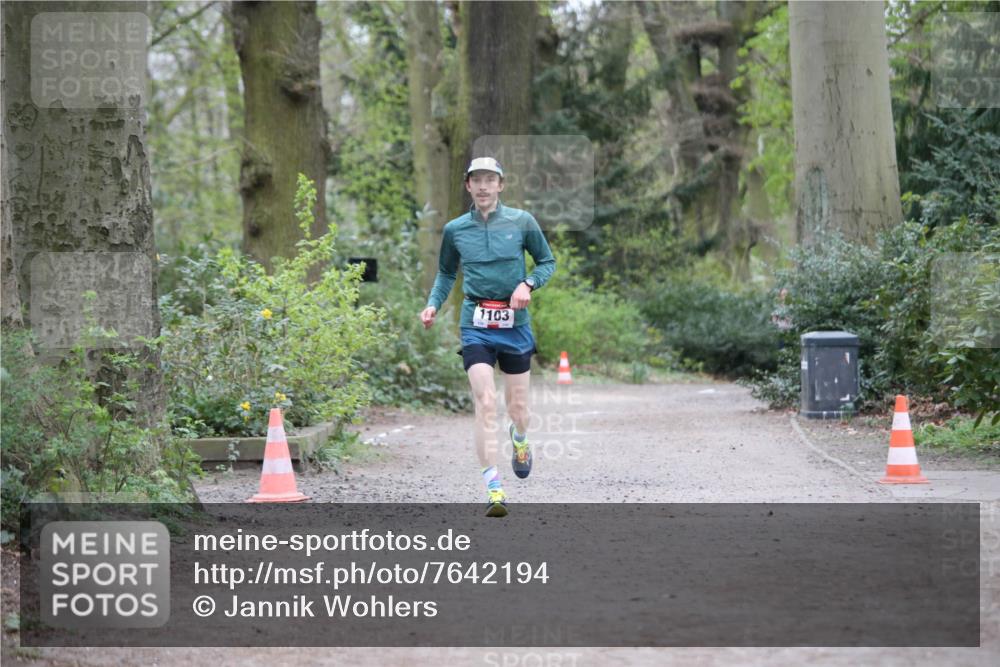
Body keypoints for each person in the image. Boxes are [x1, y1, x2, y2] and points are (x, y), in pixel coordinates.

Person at [420, 157, 556, 517]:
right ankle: (494, 487)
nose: (483, 186)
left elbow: (547, 262)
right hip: (475, 322)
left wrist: (528, 283)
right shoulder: (455, 230)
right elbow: (447, 273)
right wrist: (433, 304)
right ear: (467, 186)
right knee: (485, 401)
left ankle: (521, 439)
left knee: (518, 410)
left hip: (515, 324)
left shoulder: (522, 221)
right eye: (476, 180)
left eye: (489, 180)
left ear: (500, 185)